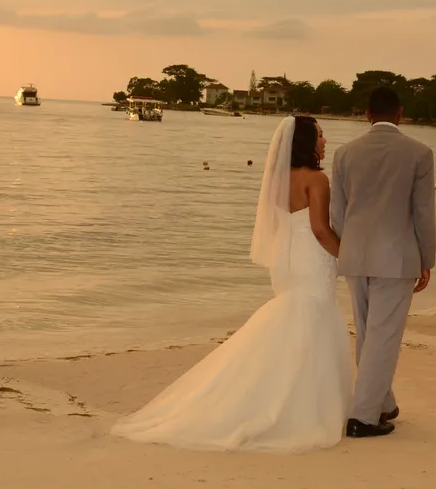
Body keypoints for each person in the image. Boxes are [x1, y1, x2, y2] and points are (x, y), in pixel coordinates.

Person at [110, 116, 354, 452]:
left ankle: (278, 396)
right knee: (310, 320)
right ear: (307, 142)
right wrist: (349, 257)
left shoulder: (276, 179)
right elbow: (320, 230)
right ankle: (302, 406)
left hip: (285, 258)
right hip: (311, 258)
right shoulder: (317, 179)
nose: (325, 141)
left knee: (291, 321)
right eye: (321, 136)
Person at [330, 87, 436, 438]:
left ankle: (383, 403)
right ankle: (362, 416)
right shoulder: (419, 153)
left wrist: (350, 247)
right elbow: (423, 211)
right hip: (397, 256)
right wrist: (427, 258)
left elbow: (338, 213)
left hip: (354, 254)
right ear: (400, 113)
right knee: (383, 336)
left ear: (367, 114)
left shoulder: (345, 153)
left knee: (368, 333)